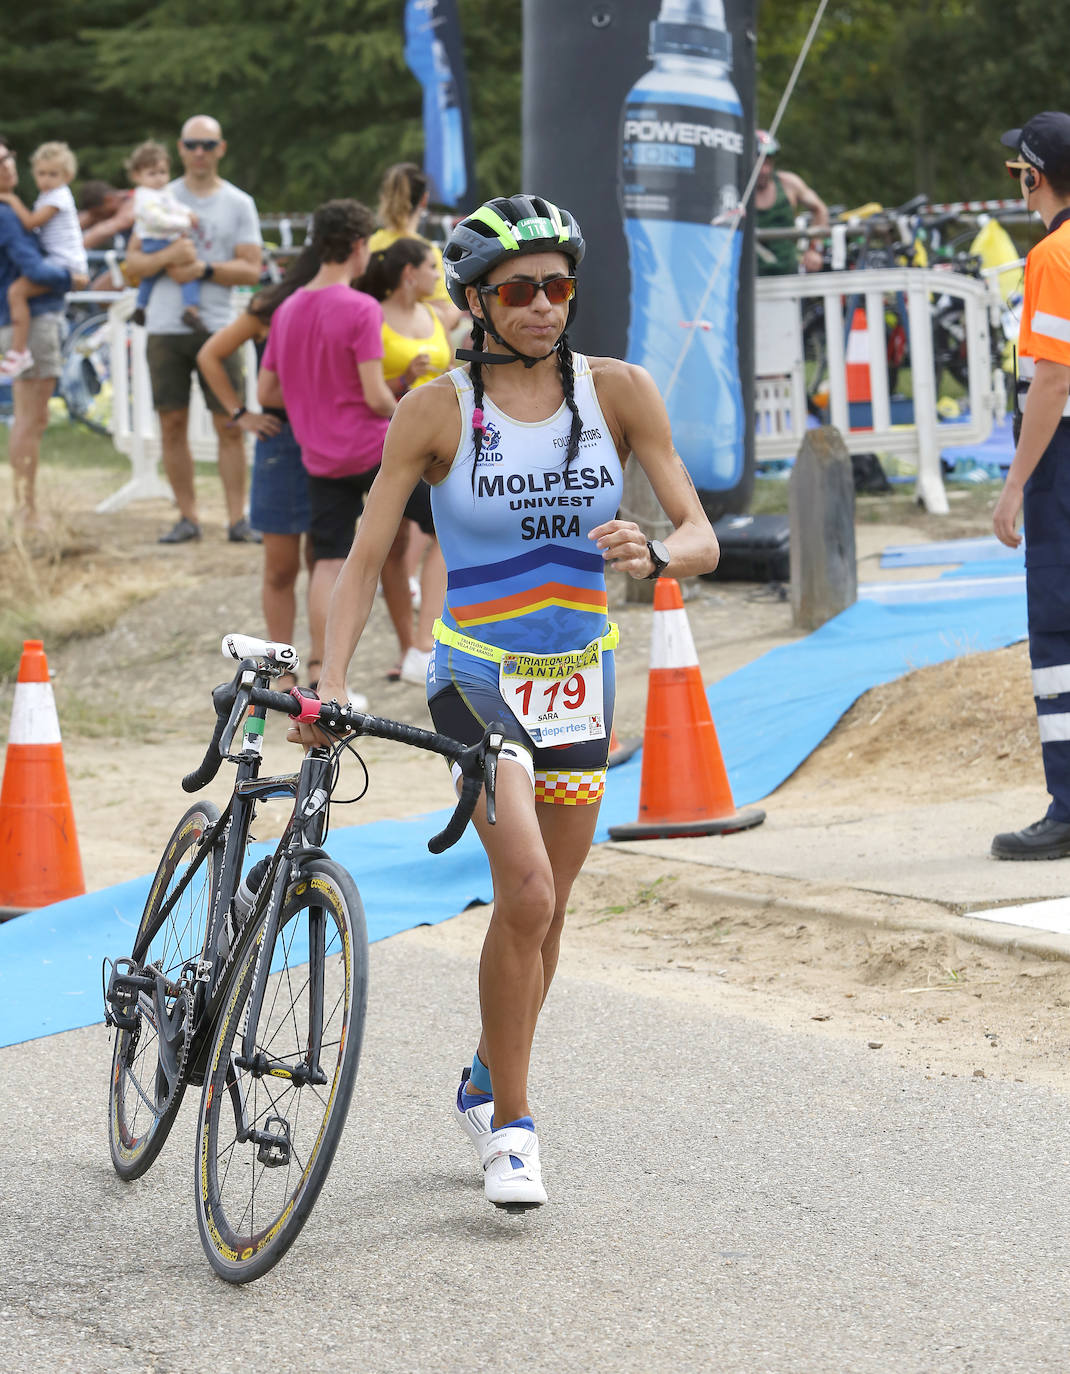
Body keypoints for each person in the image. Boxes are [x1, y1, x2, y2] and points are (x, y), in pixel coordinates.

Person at [290, 194, 719, 1210]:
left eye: (557, 286)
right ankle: (512, 1131)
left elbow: (698, 529)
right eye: (518, 290)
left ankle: (486, 1076)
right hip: (473, 674)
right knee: (523, 888)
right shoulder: (436, 409)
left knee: (551, 908)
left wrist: (658, 551)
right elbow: (359, 563)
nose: (541, 305)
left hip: (579, 674)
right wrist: (334, 677)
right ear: (477, 300)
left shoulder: (617, 392)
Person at [257, 199, 406, 700]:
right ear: (360, 246)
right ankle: (426, 645)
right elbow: (374, 394)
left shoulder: (289, 306)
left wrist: (313, 393)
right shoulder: (361, 307)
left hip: (318, 455)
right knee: (438, 532)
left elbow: (267, 394)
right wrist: (406, 403)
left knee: (327, 560)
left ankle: (322, 677)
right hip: (369, 448)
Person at [123, 114, 263, 544]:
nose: (199, 152)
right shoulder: (155, 198)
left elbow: (251, 268)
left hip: (219, 326)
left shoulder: (238, 203)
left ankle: (237, 519)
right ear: (180, 149)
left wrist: (201, 268)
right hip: (165, 325)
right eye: (191, 144)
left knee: (230, 423)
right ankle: (188, 518)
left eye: (208, 144)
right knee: (171, 423)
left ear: (221, 148)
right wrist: (170, 256)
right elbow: (131, 269)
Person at [992, 111, 1070, 860]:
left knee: (1059, 632)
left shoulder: (1053, 254)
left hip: (1063, 462)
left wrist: (1015, 484)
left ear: (1034, 176)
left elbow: (1051, 380)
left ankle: (1069, 805)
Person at [196, 243, 322, 684]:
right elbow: (210, 354)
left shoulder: (343, 303)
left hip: (327, 436)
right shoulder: (269, 307)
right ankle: (282, 666)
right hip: (282, 435)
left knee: (324, 561)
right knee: (282, 564)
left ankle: (321, 667)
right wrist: (238, 414)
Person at [0, 132, 88, 525]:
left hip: (25, 317)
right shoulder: (0, 213)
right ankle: (26, 509)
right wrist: (72, 278)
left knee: (32, 417)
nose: (8, 166)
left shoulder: (0, 210)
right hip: (30, 320)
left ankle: (26, 505)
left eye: (9, 157)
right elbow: (35, 269)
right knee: (28, 418)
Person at [356, 236, 451, 685]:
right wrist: (403, 379)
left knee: (432, 537)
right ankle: (412, 646)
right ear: (408, 273)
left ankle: (422, 644)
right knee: (398, 545)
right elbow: (363, 384)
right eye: (431, 267)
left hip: (440, 444)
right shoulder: (372, 316)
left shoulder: (434, 314)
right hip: (390, 441)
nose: (438, 275)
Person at [0, 141, 87, 382]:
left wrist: (11, 200)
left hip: (65, 264)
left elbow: (31, 222)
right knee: (18, 292)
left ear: (67, 176)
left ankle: (18, 351)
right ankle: (18, 351)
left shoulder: (58, 197)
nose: (46, 179)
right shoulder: (48, 196)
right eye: (41, 173)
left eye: (53, 174)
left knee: (16, 292)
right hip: (58, 261)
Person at [368, 162, 462, 334]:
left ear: (384, 197)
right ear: (424, 200)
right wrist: (460, 307)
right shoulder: (426, 252)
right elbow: (443, 320)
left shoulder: (367, 247)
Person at [123, 140, 202, 332]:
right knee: (187, 269)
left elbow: (174, 207)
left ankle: (141, 306)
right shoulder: (145, 196)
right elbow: (157, 219)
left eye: (162, 172)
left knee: (151, 276)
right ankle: (190, 308)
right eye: (152, 173)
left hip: (163, 239)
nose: (159, 178)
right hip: (156, 240)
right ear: (137, 176)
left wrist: (187, 212)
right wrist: (185, 222)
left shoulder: (163, 192)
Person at [754, 130, 829, 276]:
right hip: (749, 281)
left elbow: (820, 209)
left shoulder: (788, 184)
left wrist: (814, 248)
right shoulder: (735, 190)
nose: (764, 170)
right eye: (758, 163)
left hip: (787, 274)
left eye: (767, 162)